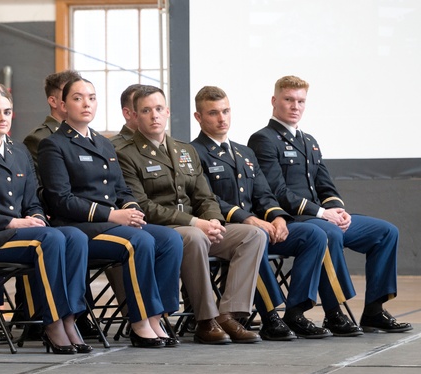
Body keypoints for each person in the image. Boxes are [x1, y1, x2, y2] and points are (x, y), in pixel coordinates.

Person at [248, 75, 410, 333]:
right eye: (288, 99)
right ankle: (333, 312)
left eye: (300, 101)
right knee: (329, 232)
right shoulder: (263, 139)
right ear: (274, 100)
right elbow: (277, 192)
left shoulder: (309, 140)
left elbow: (326, 185)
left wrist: (338, 211)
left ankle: (374, 311)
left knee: (386, 232)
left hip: (321, 218)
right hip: (293, 220)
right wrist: (323, 213)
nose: (295, 106)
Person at [38, 78, 184, 348]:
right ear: (63, 104)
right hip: (78, 228)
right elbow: (61, 200)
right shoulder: (54, 145)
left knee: (169, 239)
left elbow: (122, 190)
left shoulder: (103, 144)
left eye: (92, 98)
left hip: (114, 224)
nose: (86, 104)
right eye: (78, 98)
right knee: (139, 242)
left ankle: (157, 315)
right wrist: (112, 215)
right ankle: (139, 322)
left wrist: (131, 209)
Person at [116, 85, 266, 344]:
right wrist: (197, 223)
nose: (154, 115)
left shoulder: (185, 150)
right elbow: (143, 206)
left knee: (252, 235)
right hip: (165, 230)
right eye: (146, 110)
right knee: (194, 237)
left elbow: (204, 196)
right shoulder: (126, 154)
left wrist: (215, 221)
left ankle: (229, 315)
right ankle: (205, 320)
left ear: (168, 112)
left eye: (159, 109)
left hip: (199, 226)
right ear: (136, 116)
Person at [0, 85, 91, 354]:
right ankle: (52, 323)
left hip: (25, 235)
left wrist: (35, 218)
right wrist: (12, 222)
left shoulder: (19, 152)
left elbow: (33, 203)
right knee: (50, 240)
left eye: (7, 112)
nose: (2, 117)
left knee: (75, 236)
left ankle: (70, 317)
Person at [191, 85, 325, 340]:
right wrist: (249, 219)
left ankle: (295, 312)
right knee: (255, 236)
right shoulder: (194, 152)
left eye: (226, 111)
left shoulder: (244, 151)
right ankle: (270, 316)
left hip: (259, 224)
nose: (222, 119)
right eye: (213, 113)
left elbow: (263, 194)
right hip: (224, 228)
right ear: (199, 117)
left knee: (313, 235)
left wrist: (276, 217)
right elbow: (207, 198)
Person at [23, 69, 81, 172]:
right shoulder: (39, 138)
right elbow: (40, 184)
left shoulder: (89, 136)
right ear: (53, 101)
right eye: (75, 97)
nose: (83, 102)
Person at [108, 83, 145, 151]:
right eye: (145, 109)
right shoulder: (111, 146)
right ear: (127, 113)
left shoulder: (163, 144)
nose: (154, 115)